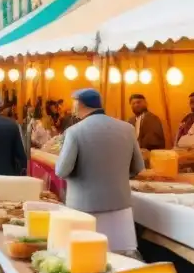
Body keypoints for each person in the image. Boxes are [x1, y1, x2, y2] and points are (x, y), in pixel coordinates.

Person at [55, 88, 144, 253]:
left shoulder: (74, 132)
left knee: (88, 259)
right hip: (120, 208)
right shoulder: (127, 129)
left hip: (85, 209)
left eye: (75, 104)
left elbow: (62, 170)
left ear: (80, 105)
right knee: (122, 259)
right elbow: (138, 167)